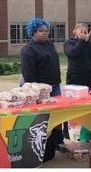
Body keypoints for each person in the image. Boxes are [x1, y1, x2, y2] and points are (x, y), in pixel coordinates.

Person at [20, 18, 63, 163]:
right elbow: (29, 76)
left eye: (46, 31)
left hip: (55, 87)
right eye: (41, 31)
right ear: (33, 32)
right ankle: (41, 151)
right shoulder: (29, 49)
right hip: (40, 91)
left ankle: (56, 144)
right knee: (43, 121)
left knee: (57, 117)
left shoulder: (50, 45)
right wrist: (38, 92)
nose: (45, 33)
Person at [64, 24, 91, 88]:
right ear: (74, 31)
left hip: (89, 77)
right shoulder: (69, 42)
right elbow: (73, 53)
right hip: (75, 77)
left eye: (85, 31)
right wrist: (81, 41)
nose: (83, 33)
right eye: (81, 31)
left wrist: (88, 42)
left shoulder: (88, 43)